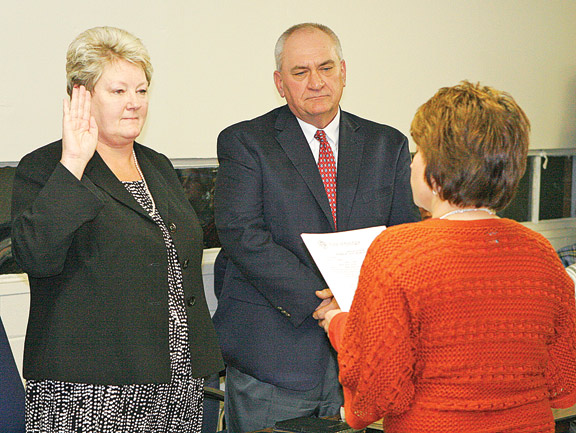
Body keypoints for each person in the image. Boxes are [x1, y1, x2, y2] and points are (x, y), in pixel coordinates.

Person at [317, 81, 576, 433]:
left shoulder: (397, 250)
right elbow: (563, 383)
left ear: (440, 168)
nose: (411, 162)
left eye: (419, 152)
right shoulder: (540, 252)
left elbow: (377, 391)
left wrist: (338, 323)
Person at [11, 26, 223, 433]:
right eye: (119, 91)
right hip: (90, 389)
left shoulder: (157, 165)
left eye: (141, 91)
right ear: (81, 95)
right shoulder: (45, 168)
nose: (134, 104)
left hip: (177, 379)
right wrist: (73, 163)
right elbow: (35, 255)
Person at [213, 23, 420, 433]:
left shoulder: (388, 143)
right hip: (273, 357)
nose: (316, 82)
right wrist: (322, 302)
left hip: (364, 354)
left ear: (344, 70)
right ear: (279, 82)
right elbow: (243, 234)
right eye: (300, 72)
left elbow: (401, 237)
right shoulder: (245, 142)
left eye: (326, 67)